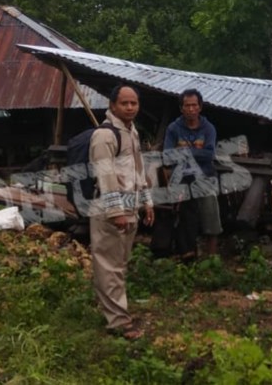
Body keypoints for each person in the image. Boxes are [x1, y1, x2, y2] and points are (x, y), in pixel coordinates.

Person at [89, 84, 154, 340]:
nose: (130, 107)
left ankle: (115, 309)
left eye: (134, 103)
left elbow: (138, 171)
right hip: (110, 209)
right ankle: (118, 322)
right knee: (110, 265)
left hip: (131, 205)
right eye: (124, 103)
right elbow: (105, 176)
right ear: (113, 105)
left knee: (119, 263)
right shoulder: (105, 136)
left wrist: (146, 201)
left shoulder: (131, 132)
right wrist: (116, 211)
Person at [163, 88, 223, 257]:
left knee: (210, 213)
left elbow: (209, 154)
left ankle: (211, 258)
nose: (191, 109)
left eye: (194, 105)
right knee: (182, 216)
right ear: (181, 108)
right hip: (181, 178)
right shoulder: (174, 128)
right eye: (187, 105)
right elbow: (168, 156)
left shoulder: (208, 128)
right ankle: (185, 254)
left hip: (205, 177)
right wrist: (196, 154)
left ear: (200, 107)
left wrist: (183, 153)